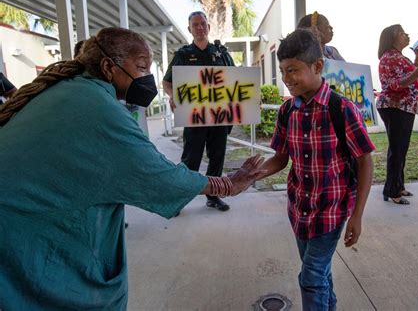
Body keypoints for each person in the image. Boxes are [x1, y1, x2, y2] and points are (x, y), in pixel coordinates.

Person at [0, 27, 265, 310]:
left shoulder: (71, 89)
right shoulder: (97, 108)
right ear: (108, 67)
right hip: (20, 236)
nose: (147, 79)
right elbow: (157, 175)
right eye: (141, 68)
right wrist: (228, 184)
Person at [256, 29, 375, 311]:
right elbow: (280, 159)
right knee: (320, 273)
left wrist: (357, 215)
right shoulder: (287, 112)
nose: (286, 79)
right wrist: (252, 174)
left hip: (331, 212)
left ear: (317, 66)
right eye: (283, 71)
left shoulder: (342, 109)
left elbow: (365, 162)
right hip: (299, 211)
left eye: (293, 70)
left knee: (310, 277)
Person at [162, 11, 235, 212]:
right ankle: (180, 198)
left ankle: (213, 195)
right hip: (194, 117)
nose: (200, 28)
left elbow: (237, 80)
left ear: (208, 26)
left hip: (219, 117)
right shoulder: (183, 54)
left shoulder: (222, 53)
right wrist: (172, 95)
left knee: (217, 157)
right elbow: (167, 82)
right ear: (189, 29)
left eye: (203, 24)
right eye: (195, 25)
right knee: (190, 159)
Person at [376, 24, 418, 205]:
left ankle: (398, 185)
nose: (406, 35)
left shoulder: (398, 57)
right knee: (397, 149)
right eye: (402, 33)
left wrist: (417, 58)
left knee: (401, 149)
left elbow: (411, 74)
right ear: (392, 38)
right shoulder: (389, 58)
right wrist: (416, 74)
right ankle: (391, 190)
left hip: (404, 106)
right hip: (395, 106)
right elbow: (394, 84)